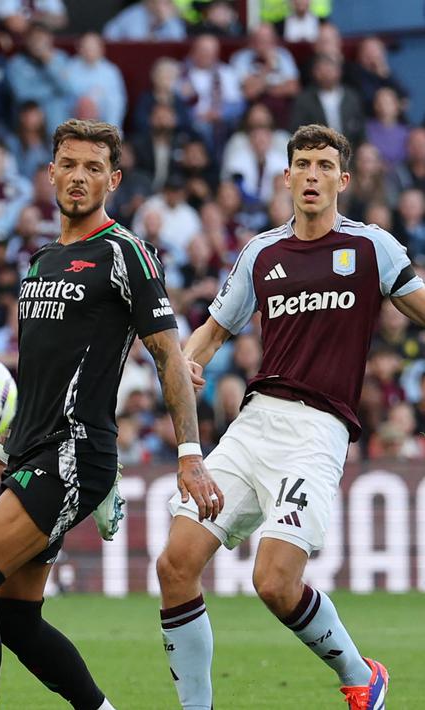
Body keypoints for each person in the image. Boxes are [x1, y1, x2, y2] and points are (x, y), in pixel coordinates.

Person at [0, 119, 221, 710]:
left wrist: (189, 455)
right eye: (69, 164)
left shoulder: (127, 254)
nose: (78, 177)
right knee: (14, 618)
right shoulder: (41, 259)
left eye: (94, 168)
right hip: (33, 450)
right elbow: (40, 380)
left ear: (113, 180)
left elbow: (169, 355)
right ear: (50, 173)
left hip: (75, 453)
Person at [156, 124, 425, 710]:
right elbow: (213, 329)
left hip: (317, 430)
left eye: (324, 166)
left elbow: (419, 304)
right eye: (302, 164)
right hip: (253, 425)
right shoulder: (262, 252)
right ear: (286, 176)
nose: (311, 175)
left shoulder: (372, 248)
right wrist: (185, 366)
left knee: (274, 582)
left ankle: (361, 676)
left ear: (342, 180)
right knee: (176, 563)